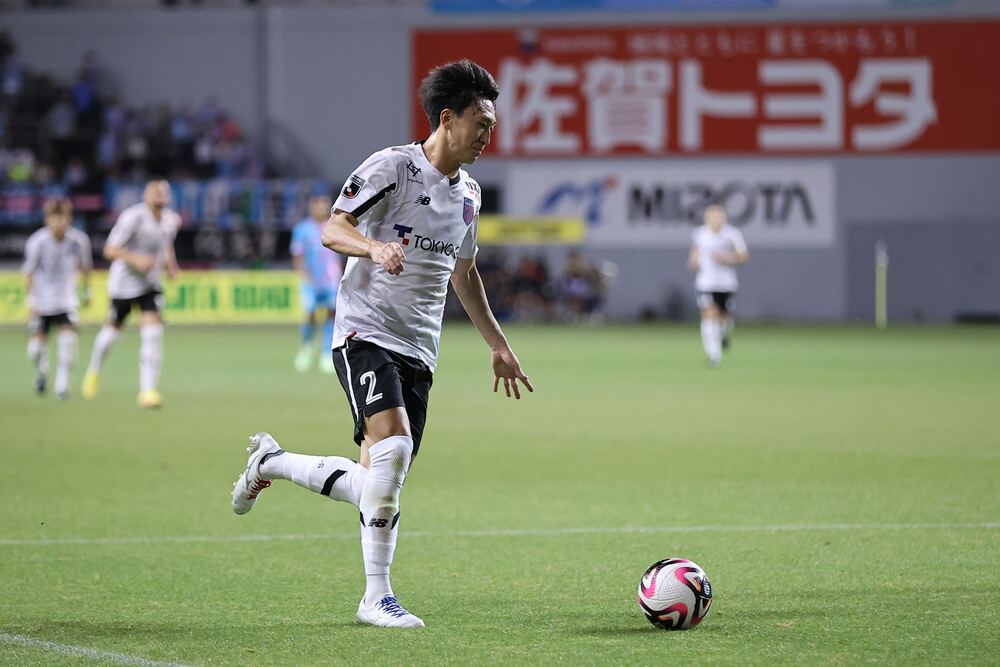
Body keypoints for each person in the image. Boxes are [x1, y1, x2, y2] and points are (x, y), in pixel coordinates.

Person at [231, 60, 533, 628]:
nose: (489, 135)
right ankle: (376, 598)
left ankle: (272, 462)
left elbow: (465, 274)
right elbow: (334, 227)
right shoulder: (393, 167)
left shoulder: (469, 195)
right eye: (482, 123)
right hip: (363, 331)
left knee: (378, 485)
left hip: (420, 349)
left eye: (492, 126)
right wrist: (373, 248)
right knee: (392, 452)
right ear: (448, 118)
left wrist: (497, 344)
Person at [82, 180, 180, 407]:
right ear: (145, 195)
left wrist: (171, 264)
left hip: (150, 284)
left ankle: (148, 391)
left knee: (153, 333)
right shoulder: (132, 218)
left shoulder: (171, 220)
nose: (159, 196)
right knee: (111, 333)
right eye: (155, 192)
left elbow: (165, 244)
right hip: (124, 285)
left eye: (163, 192)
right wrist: (136, 260)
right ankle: (94, 370)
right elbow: (109, 250)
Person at [22, 197, 92, 399]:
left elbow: (85, 267)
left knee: (68, 342)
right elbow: (29, 273)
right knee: (35, 350)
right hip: (42, 301)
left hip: (66, 300)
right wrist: (31, 301)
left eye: (64, 217)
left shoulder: (79, 241)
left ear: (69, 218)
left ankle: (62, 386)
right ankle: (42, 373)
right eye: (55, 217)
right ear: (47, 219)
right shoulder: (37, 242)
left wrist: (87, 291)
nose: (60, 222)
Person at [687, 204, 749, 367]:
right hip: (705, 282)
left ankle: (723, 334)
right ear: (706, 218)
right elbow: (695, 253)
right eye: (712, 216)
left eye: (718, 216)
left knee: (724, 319)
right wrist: (693, 261)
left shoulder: (732, 234)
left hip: (726, 283)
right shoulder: (700, 233)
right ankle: (714, 355)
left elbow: (743, 256)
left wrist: (725, 257)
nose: (716, 220)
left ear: (724, 218)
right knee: (709, 314)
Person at [290, 194, 343, 373]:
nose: (322, 209)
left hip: (331, 280)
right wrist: (304, 276)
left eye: (325, 205)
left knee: (331, 315)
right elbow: (298, 255)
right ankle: (307, 345)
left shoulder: (334, 226)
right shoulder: (302, 229)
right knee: (310, 315)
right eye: (318, 205)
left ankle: (327, 352)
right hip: (311, 280)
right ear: (311, 207)